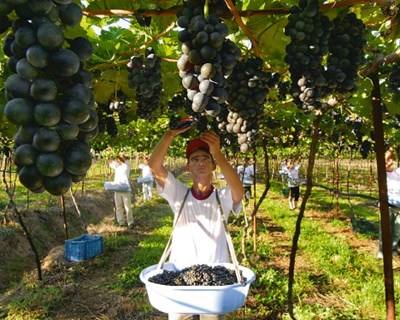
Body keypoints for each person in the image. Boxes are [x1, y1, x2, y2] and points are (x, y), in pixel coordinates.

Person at [148, 128, 243, 320]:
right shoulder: (178, 194)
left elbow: (238, 191)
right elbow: (155, 166)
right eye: (194, 159)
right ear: (188, 167)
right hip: (180, 276)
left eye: (205, 158)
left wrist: (218, 154)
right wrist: (169, 136)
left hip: (214, 279)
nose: (200, 162)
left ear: (214, 165)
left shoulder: (221, 197)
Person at [377, 148, 400, 258]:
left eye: (391, 159)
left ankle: (394, 249)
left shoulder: (398, 173)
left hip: (398, 206)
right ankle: (382, 251)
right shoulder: (383, 174)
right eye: (387, 160)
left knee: (397, 230)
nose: (389, 162)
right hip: (386, 205)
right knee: (384, 229)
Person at [109, 154, 134, 229]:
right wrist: (110, 155)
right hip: (117, 189)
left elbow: (121, 162)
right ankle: (121, 222)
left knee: (127, 207)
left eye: (120, 158)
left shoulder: (126, 165)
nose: (118, 160)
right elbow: (110, 162)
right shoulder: (117, 166)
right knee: (118, 207)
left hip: (125, 189)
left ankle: (130, 222)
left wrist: (118, 158)